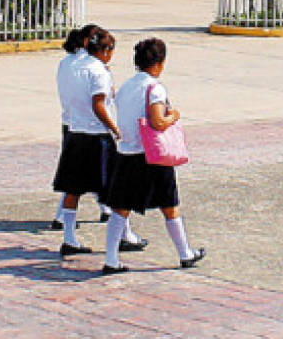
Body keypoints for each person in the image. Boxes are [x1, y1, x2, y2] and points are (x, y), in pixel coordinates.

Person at [100, 37, 204, 274]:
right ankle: (185, 253)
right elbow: (157, 122)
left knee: (120, 208)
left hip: (126, 153)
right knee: (169, 205)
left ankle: (111, 258)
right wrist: (174, 116)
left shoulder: (126, 87)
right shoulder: (154, 88)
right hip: (151, 156)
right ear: (159, 63)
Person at [51, 26, 124, 256]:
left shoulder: (69, 64)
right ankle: (122, 237)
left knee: (73, 189)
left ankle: (69, 237)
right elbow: (99, 104)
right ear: (104, 50)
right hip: (97, 134)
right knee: (114, 187)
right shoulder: (98, 70)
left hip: (74, 130)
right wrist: (115, 129)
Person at [50, 24, 110, 229]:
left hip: (70, 121)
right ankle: (63, 217)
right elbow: (98, 102)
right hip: (91, 126)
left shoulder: (67, 62)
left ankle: (104, 209)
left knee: (78, 176)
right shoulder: (92, 66)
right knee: (94, 175)